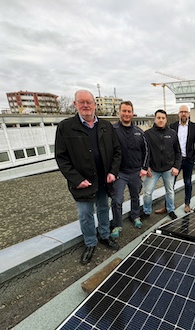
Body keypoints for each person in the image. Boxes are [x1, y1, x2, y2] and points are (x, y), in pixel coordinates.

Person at [55, 89, 121, 265]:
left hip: (104, 179)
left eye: (89, 102)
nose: (86, 105)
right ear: (75, 104)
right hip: (83, 182)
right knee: (85, 214)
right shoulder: (66, 127)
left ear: (94, 105)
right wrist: (76, 179)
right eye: (81, 102)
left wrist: (113, 172)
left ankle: (105, 236)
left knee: (103, 209)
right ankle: (90, 243)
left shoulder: (106, 126)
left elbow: (117, 152)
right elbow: (62, 158)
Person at [110, 101, 149, 238]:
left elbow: (146, 152)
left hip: (136, 172)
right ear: (119, 112)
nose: (126, 114)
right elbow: (108, 153)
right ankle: (117, 225)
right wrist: (112, 172)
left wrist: (144, 168)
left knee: (135, 197)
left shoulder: (139, 132)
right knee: (117, 200)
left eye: (129, 111)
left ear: (132, 113)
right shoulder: (112, 131)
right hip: (120, 173)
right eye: (124, 111)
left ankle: (135, 216)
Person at [155, 105, 195, 214]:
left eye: (185, 112)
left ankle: (187, 204)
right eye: (181, 112)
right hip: (175, 161)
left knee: (188, 182)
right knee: (170, 185)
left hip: (188, 160)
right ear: (179, 114)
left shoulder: (194, 127)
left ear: (188, 114)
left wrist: (194, 157)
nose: (183, 114)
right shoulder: (173, 126)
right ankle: (167, 206)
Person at [141, 109, 182, 220]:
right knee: (147, 193)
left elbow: (178, 152)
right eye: (158, 118)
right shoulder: (147, 134)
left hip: (168, 169)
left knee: (170, 191)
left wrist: (176, 167)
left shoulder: (172, 134)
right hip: (153, 170)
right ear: (155, 119)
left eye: (163, 118)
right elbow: (143, 152)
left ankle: (170, 210)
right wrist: (146, 167)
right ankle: (146, 211)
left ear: (166, 119)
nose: (161, 120)